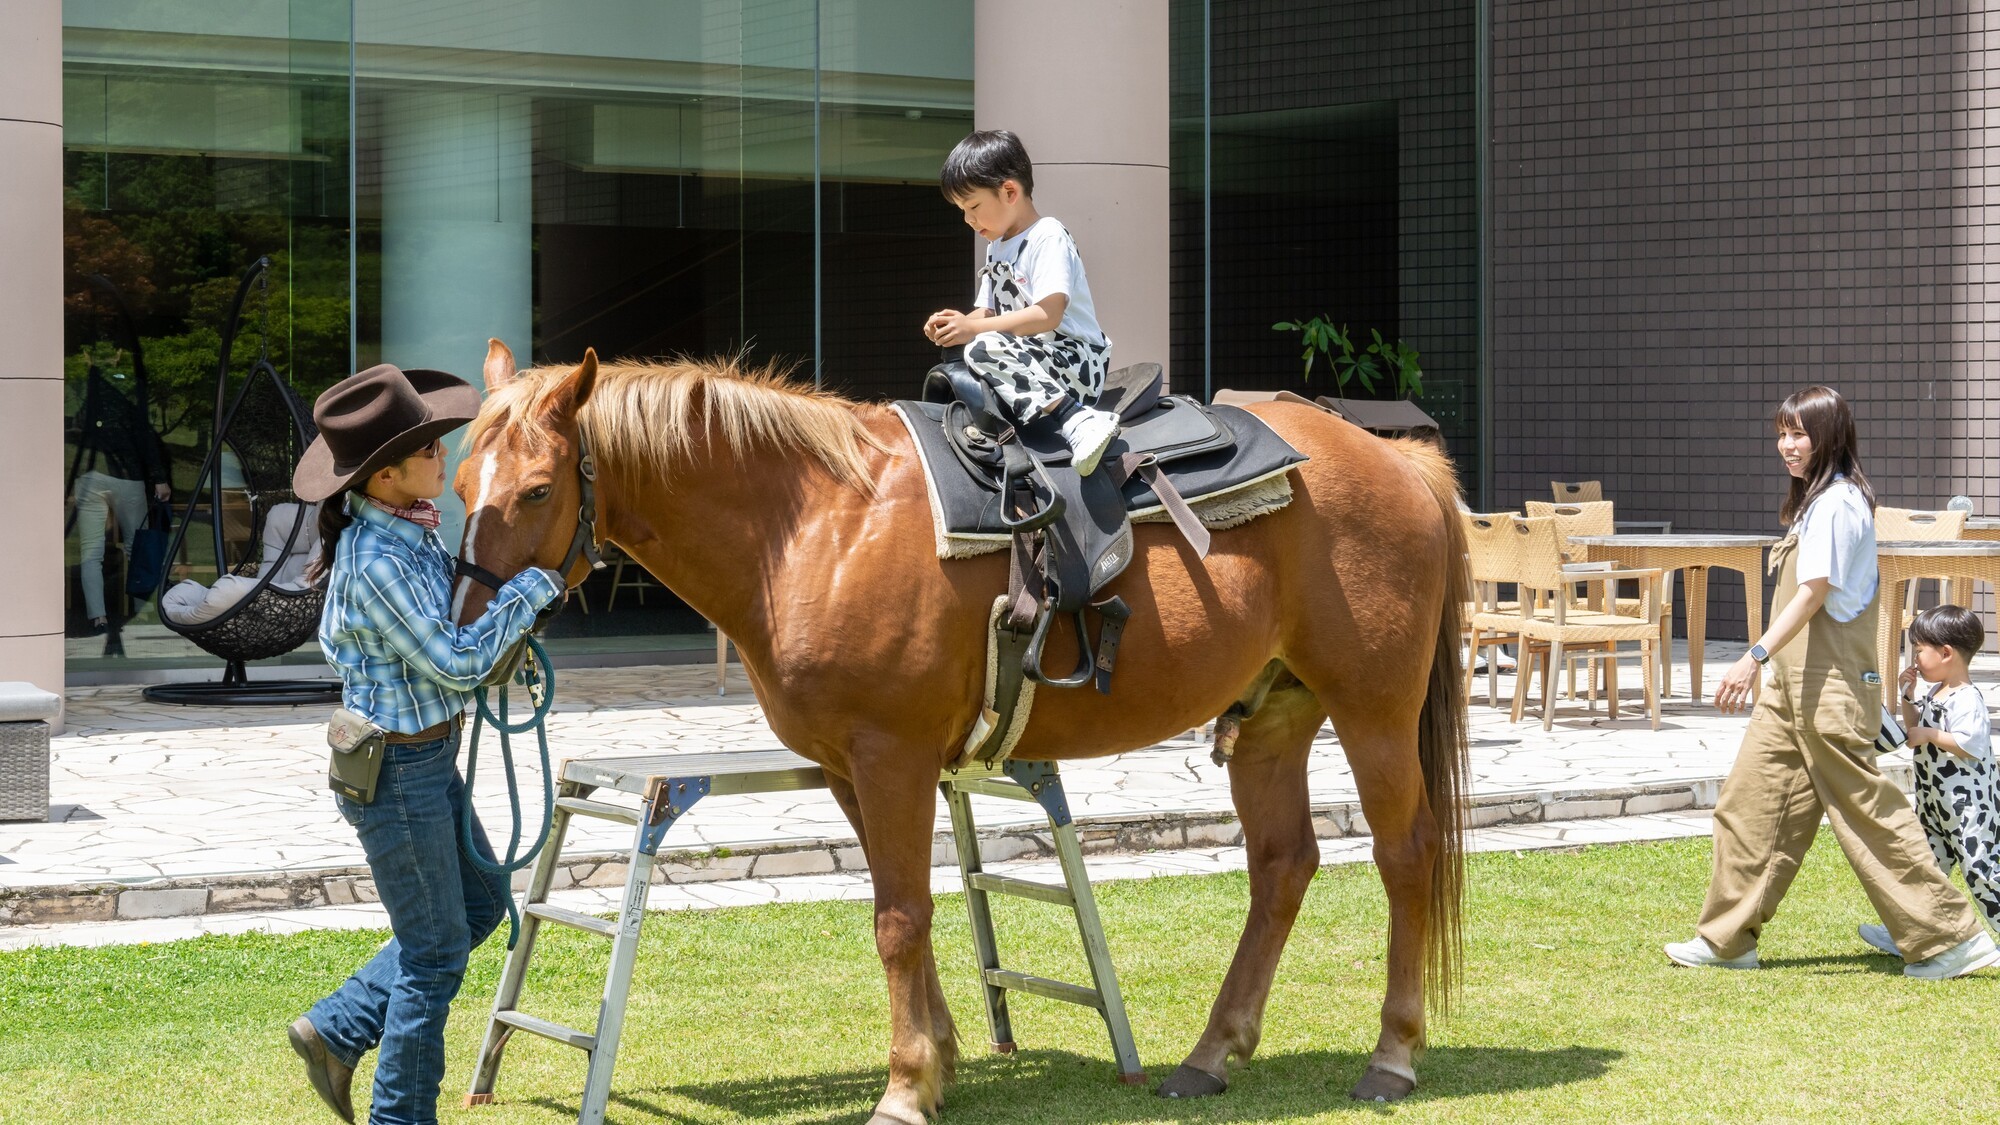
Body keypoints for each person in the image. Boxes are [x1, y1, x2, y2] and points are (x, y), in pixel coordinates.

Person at [284, 364, 565, 1124]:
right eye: (430, 450)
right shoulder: (377, 562)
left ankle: (337, 1027)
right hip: (399, 774)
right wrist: (534, 588)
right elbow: (458, 660)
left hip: (424, 761)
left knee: (476, 910)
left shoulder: (408, 535)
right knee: (435, 953)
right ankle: (400, 1115)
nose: (446, 456)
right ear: (385, 474)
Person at [1665, 386, 1999, 979]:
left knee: (1866, 811)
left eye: (1800, 433)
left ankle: (1951, 939)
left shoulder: (1840, 503)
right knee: (1750, 806)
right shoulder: (1814, 504)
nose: (1787, 446)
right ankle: (1728, 940)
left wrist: (1755, 655)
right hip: (1792, 692)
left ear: (1830, 437)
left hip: (1830, 686)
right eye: (1782, 433)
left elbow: (1813, 592)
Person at [922, 129, 1120, 475]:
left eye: (973, 206)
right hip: (1028, 359)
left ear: (1009, 191)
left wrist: (975, 330)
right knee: (974, 347)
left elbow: (1048, 314)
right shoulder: (997, 246)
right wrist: (959, 324)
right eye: (961, 210)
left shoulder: (1048, 236)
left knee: (981, 347)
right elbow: (988, 311)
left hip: (1073, 361)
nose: (968, 219)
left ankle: (1076, 417)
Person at [1857, 604, 2000, 955]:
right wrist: (1907, 696)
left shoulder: (1967, 698)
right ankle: (1907, 934)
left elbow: (1970, 744)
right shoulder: (1937, 692)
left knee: (1981, 870)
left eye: (1920, 649)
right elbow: (1914, 726)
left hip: (1969, 808)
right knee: (1923, 869)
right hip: (1936, 802)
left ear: (1947, 653)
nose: (1915, 657)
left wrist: (1931, 734)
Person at [69, 357, 170, 632]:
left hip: (91, 479)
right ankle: (143, 612)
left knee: (91, 553)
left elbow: (75, 434)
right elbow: (146, 441)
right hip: (128, 478)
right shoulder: (131, 404)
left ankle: (98, 617)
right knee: (137, 548)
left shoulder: (86, 401)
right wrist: (159, 479)